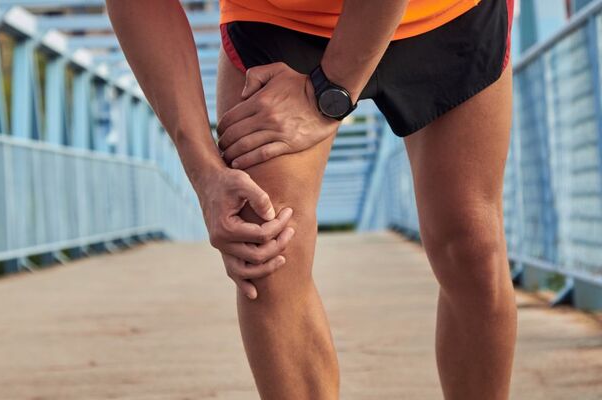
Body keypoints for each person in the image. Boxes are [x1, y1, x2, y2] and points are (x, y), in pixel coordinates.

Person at [107, 0, 516, 398]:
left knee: (471, 245)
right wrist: (205, 173)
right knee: (263, 243)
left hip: (444, 14)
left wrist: (327, 92)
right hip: (280, 19)